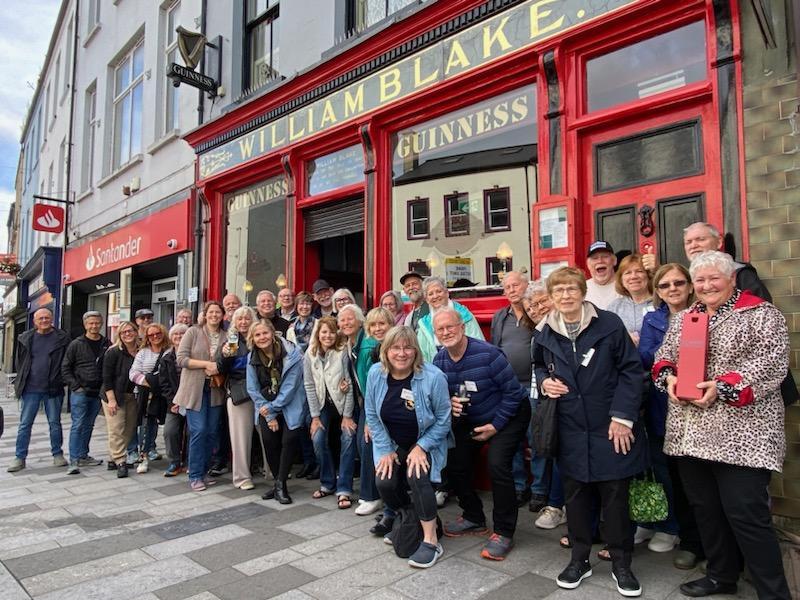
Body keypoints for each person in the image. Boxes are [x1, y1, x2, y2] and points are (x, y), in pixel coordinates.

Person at [653, 250, 791, 599]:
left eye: (714, 277)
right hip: (691, 434)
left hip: (743, 435)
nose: (706, 285)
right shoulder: (685, 318)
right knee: (707, 512)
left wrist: (723, 387)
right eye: (700, 279)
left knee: (747, 516)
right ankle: (721, 576)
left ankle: (773, 593)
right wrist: (668, 379)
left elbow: (773, 364)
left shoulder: (761, 313)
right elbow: (663, 358)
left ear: (732, 279)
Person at [533, 266, 645, 596]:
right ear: (551, 297)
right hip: (569, 427)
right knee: (577, 498)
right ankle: (579, 558)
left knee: (615, 497)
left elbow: (631, 370)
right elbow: (539, 366)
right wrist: (544, 382)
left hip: (609, 425)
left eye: (571, 289)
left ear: (582, 291)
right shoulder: (544, 330)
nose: (565, 296)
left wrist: (622, 417)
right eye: (558, 291)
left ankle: (622, 563)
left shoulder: (608, 323)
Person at [433, 308, 530, 561]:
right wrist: (449, 405)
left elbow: (513, 393)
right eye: (440, 329)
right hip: (472, 418)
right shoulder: (440, 361)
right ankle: (473, 517)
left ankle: (504, 531)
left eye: (450, 327)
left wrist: (495, 427)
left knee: (497, 464)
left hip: (509, 415)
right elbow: (440, 399)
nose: (446, 332)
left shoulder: (488, 354)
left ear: (462, 327)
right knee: (454, 460)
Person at [365, 325, 451, 569]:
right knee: (384, 482)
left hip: (427, 442)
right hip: (392, 444)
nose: (401, 353)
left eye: (407, 347)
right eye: (395, 347)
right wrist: (385, 449)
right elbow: (371, 413)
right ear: (385, 350)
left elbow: (444, 420)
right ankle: (411, 518)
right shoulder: (375, 373)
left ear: (416, 351)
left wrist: (421, 447)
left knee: (417, 476)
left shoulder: (433, 377)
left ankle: (431, 540)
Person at [636, 264, 696, 561]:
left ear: (689, 285)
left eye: (679, 283)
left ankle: (689, 534)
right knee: (662, 468)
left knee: (692, 476)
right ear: (657, 291)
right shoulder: (653, 319)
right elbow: (646, 356)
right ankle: (666, 525)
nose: (672, 289)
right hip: (661, 403)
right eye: (665, 285)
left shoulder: (705, 314)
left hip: (698, 404)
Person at [246, 319, 308, 504]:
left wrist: (272, 408)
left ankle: (280, 484)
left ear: (273, 333)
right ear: (253, 338)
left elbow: (290, 387)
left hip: (290, 402)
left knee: (288, 441)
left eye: (265, 333)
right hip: (266, 404)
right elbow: (252, 388)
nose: (262, 337)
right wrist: (269, 413)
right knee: (269, 440)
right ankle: (278, 483)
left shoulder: (293, 354)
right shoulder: (252, 357)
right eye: (257, 335)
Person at [489, 271, 536, 508]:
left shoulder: (535, 313)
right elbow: (495, 349)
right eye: (507, 287)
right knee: (512, 440)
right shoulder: (500, 316)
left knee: (535, 439)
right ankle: (519, 486)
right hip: (508, 387)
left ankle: (539, 489)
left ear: (527, 286)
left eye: (515, 285)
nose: (511, 290)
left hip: (534, 386)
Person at [7, 308, 71, 472]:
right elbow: (19, 362)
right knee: (25, 424)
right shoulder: (25, 338)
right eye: (40, 318)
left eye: (47, 317)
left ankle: (57, 454)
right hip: (30, 388)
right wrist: (21, 380)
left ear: (52, 319)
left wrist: (61, 380)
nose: (44, 320)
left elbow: (67, 362)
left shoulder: (62, 338)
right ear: (34, 321)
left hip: (53, 388)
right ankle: (19, 458)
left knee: (55, 423)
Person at [304, 316, 356, 507]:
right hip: (322, 404)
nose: (328, 336)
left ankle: (344, 488)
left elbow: (348, 384)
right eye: (324, 332)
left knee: (348, 437)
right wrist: (315, 417)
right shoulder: (310, 353)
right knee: (318, 438)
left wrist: (347, 416)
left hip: (343, 403)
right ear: (318, 334)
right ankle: (327, 483)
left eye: (332, 332)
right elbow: (309, 385)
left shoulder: (342, 352)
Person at [173, 301, 226, 491]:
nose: (214, 315)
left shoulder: (227, 336)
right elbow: (181, 359)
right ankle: (195, 474)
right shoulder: (193, 332)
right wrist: (206, 364)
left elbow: (228, 361)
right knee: (199, 430)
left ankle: (204, 471)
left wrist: (219, 366)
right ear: (205, 314)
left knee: (212, 432)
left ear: (222, 315)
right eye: (211, 312)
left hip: (215, 389)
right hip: (194, 389)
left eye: (218, 312)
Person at [62, 310, 111, 474]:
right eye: (91, 323)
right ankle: (74, 460)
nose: (94, 326)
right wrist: (75, 386)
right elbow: (65, 368)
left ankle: (83, 455)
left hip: (97, 392)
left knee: (89, 425)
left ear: (102, 323)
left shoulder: (106, 343)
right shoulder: (76, 344)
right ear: (85, 325)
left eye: (97, 322)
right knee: (78, 425)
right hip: (80, 392)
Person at [217, 306, 257, 490]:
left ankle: (271, 471)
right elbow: (222, 366)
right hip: (240, 391)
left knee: (267, 434)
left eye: (247, 319)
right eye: (239, 319)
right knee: (241, 438)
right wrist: (225, 355)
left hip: (262, 391)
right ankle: (242, 477)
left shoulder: (258, 336)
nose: (243, 322)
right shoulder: (232, 339)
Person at [129, 322, 171, 474]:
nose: (155, 337)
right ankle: (144, 455)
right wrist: (148, 382)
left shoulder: (170, 350)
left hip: (165, 393)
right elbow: (133, 373)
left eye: (158, 334)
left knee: (170, 426)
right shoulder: (143, 353)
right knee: (147, 425)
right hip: (148, 394)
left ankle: (174, 457)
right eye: (151, 335)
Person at [101, 321, 139, 478]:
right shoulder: (113, 352)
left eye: (130, 331)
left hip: (133, 396)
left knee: (129, 430)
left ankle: (112, 458)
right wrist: (111, 400)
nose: (128, 334)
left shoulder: (141, 351)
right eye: (124, 332)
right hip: (114, 395)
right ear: (120, 335)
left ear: (136, 332)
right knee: (116, 428)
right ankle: (120, 461)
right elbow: (106, 377)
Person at [417, 276, 484, 362]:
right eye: (430, 294)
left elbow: (478, 344)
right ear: (427, 299)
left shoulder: (464, 315)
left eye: (439, 291)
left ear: (447, 293)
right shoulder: (424, 324)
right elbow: (422, 355)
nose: (435, 296)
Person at [607, 254, 654, 346]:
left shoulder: (660, 304)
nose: (634, 276)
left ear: (648, 276)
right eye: (628, 273)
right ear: (621, 280)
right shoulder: (614, 307)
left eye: (639, 271)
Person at [160, 323, 188, 477]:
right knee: (170, 431)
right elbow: (163, 383)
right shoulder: (166, 358)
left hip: (191, 400)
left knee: (192, 431)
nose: (179, 337)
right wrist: (173, 402)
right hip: (174, 403)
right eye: (176, 334)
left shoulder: (193, 354)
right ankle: (174, 461)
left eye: (182, 334)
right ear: (171, 338)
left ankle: (189, 461)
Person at [585, 241, 622, 309]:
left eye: (605, 256)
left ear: (614, 261)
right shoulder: (582, 288)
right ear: (588, 264)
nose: (600, 261)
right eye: (595, 258)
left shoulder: (627, 284)